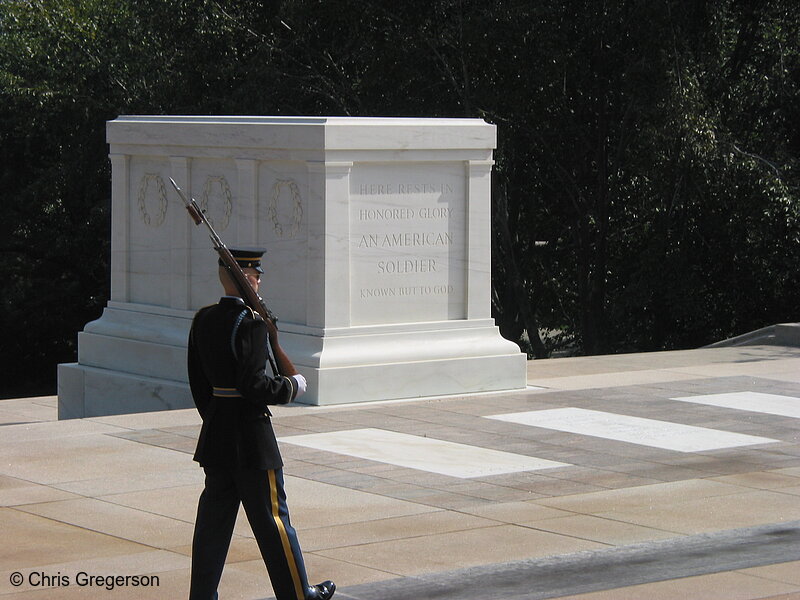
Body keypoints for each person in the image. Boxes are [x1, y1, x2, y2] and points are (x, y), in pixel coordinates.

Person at [187, 247, 335, 600]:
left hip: (217, 436)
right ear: (250, 280)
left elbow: (198, 384)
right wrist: (291, 386)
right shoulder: (251, 323)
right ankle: (299, 595)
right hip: (252, 439)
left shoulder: (203, 319)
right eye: (257, 277)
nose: (258, 282)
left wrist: (217, 418)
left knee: (213, 526)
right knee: (274, 524)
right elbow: (254, 385)